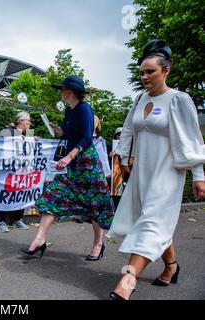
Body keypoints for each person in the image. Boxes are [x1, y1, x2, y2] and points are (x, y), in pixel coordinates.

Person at [108, 40, 205, 300]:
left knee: (151, 221)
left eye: (150, 71)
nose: (144, 77)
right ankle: (171, 267)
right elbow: (128, 129)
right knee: (154, 221)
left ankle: (128, 279)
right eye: (141, 72)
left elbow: (192, 140)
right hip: (142, 171)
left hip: (169, 172)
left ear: (166, 71)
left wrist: (199, 176)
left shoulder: (178, 99)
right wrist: (124, 161)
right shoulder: (139, 98)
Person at [21, 75, 114, 260]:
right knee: (53, 193)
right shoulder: (68, 111)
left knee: (94, 204)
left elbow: (87, 138)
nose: (60, 92)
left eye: (62, 89)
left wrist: (69, 156)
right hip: (71, 163)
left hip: (87, 163)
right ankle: (40, 239)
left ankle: (98, 244)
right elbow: (71, 134)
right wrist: (60, 131)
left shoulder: (84, 109)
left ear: (69, 91)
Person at [0, 111, 32, 232]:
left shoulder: (28, 135)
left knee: (21, 193)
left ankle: (18, 220)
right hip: (9, 169)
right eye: (28, 121)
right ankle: (1, 221)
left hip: (23, 169)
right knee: (7, 193)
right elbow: (2, 146)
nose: (30, 123)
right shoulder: (8, 132)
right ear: (21, 121)